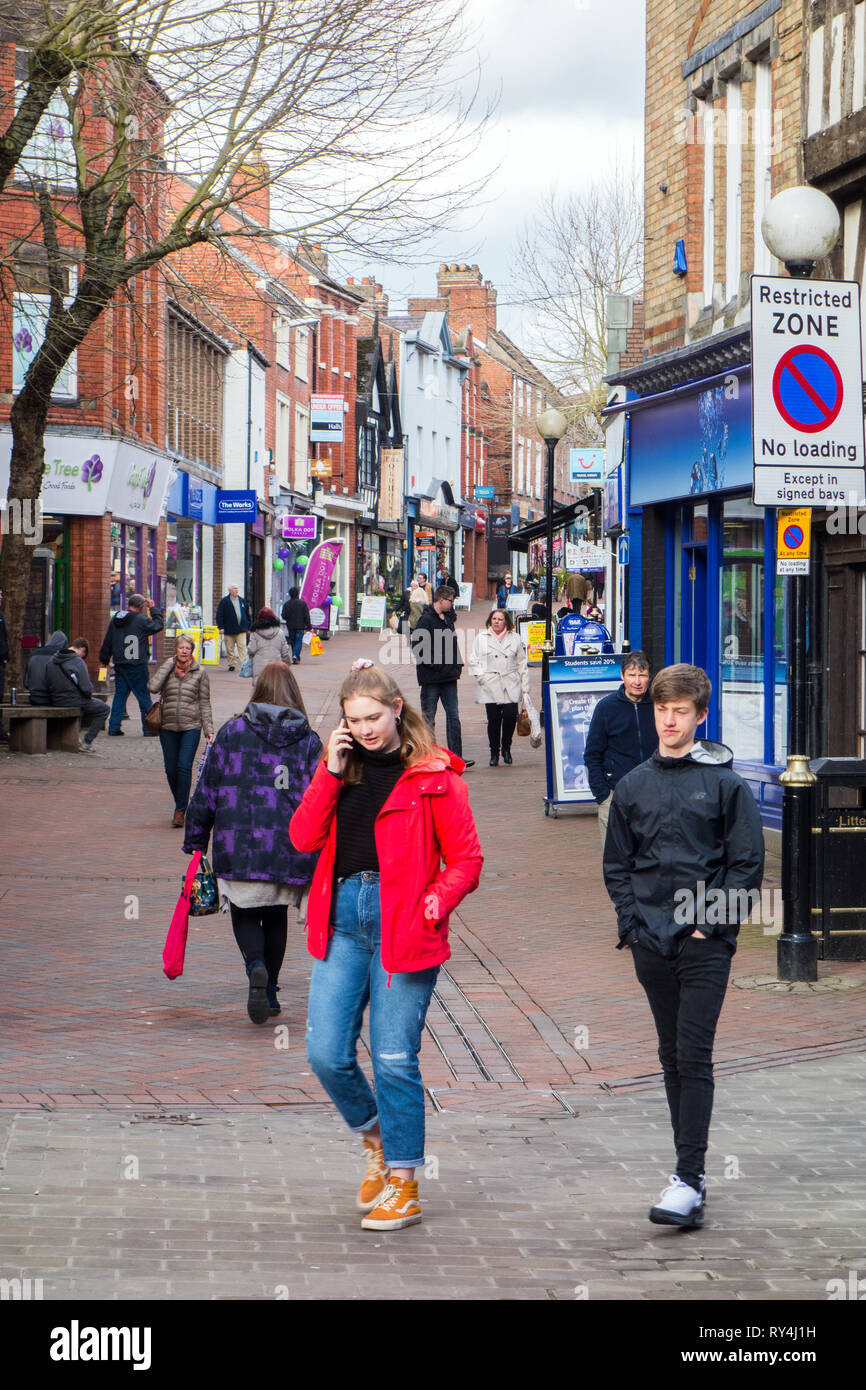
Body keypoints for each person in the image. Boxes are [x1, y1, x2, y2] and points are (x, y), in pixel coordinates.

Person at [289, 661, 483, 1231]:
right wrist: (329, 769)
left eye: (374, 717)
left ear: (398, 709)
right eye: (355, 720)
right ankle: (375, 1137)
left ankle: (404, 1182)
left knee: (395, 1058)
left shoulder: (434, 775)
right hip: (343, 923)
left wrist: (435, 902)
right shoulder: (339, 768)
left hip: (406, 929)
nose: (367, 728)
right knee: (325, 1052)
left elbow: (467, 860)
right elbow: (302, 837)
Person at [603, 663, 764, 1228]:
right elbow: (617, 865)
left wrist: (707, 925)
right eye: (661, 710)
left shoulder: (725, 785)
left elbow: (747, 864)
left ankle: (688, 1179)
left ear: (700, 715)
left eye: (679, 712)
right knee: (670, 1055)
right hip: (650, 940)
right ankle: (688, 1179)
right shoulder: (632, 786)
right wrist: (632, 926)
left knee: (693, 1054)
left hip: (704, 943)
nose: (668, 721)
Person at [184, 661, 321, 1023]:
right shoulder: (308, 740)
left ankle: (256, 968)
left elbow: (207, 787)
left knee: (244, 909)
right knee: (275, 914)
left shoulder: (232, 732)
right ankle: (271, 989)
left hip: (238, 840)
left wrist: (196, 836)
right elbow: (319, 797)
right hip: (288, 845)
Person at [584, 651, 657, 845]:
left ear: (650, 677)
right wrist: (603, 795)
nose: (637, 681)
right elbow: (592, 754)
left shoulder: (659, 706)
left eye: (642, 675)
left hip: (653, 794)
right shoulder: (606, 708)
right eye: (632, 675)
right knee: (616, 860)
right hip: (616, 795)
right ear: (622, 676)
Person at [148, 634, 214, 827]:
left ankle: (180, 810)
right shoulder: (167, 669)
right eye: (181, 648)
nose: (184, 651)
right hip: (167, 725)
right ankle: (181, 802)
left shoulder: (200, 672)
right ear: (175, 650)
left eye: (187, 648)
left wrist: (209, 730)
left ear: (191, 651)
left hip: (190, 726)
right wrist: (167, 666)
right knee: (170, 769)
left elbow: (204, 702)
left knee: (183, 766)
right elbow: (152, 687)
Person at [410, 585, 474, 768]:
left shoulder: (447, 619)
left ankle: (456, 757)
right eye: (450, 601)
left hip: (449, 677)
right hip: (431, 678)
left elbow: (452, 646)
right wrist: (437, 665)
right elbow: (418, 648)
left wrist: (457, 665)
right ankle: (429, 756)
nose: (452, 604)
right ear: (441, 600)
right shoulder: (425, 621)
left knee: (454, 717)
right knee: (428, 718)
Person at [468, 609, 533, 767]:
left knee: (511, 716)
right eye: (494, 618)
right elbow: (473, 659)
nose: (496, 621)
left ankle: (506, 748)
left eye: (500, 619)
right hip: (491, 683)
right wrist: (482, 678)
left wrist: (525, 688)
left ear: (506, 622)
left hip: (510, 682)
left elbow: (522, 664)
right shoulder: (481, 638)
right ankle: (494, 753)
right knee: (494, 719)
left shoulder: (515, 638)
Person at [99, 594, 163, 736]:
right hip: (137, 665)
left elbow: (108, 639)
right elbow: (158, 625)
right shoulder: (141, 620)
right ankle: (148, 729)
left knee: (120, 696)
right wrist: (153, 609)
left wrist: (104, 659)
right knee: (143, 697)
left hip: (120, 664)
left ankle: (114, 727)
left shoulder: (116, 618)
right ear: (141, 607)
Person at [45, 637, 109, 750]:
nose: (82, 658)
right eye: (83, 656)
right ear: (82, 649)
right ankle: (87, 742)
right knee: (104, 709)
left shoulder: (52, 660)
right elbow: (86, 687)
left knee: (81, 708)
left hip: (55, 700)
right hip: (73, 699)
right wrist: (88, 695)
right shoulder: (77, 661)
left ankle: (74, 739)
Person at [23, 629, 68, 705]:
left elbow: (26, 683)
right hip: (53, 699)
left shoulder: (33, 655)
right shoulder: (60, 657)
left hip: (35, 698)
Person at [247, 606, 292, 678]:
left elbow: (251, 650)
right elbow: (285, 652)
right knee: (275, 686)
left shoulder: (255, 633)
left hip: (259, 666)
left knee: (260, 687)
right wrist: (287, 664)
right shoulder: (280, 632)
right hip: (276, 666)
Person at [215, 585, 251, 671]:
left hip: (241, 629)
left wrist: (249, 627)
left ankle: (244, 664)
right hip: (228, 629)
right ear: (230, 590)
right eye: (235, 589)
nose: (236, 590)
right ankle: (232, 664)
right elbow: (219, 615)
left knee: (242, 647)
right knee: (230, 648)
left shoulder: (242, 601)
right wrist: (221, 627)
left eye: (237, 588)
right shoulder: (224, 601)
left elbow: (247, 614)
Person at [281, 587, 312, 664]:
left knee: (293, 641)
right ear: (298, 594)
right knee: (298, 641)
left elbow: (283, 615)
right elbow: (306, 616)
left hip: (290, 626)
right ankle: (295, 655)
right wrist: (309, 626)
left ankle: (295, 656)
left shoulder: (286, 604)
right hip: (300, 626)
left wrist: (288, 618)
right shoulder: (303, 603)